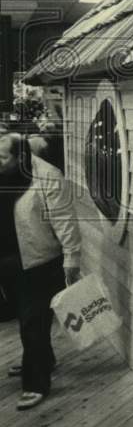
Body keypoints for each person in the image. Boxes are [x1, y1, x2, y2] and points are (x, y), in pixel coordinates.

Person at [0, 132, 81, 410]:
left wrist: (72, 257)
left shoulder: (47, 176)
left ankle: (36, 384)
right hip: (9, 261)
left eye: (2, 158)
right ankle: (43, 360)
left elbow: (65, 220)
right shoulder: (5, 174)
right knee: (28, 320)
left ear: (21, 156)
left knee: (32, 322)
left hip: (39, 261)